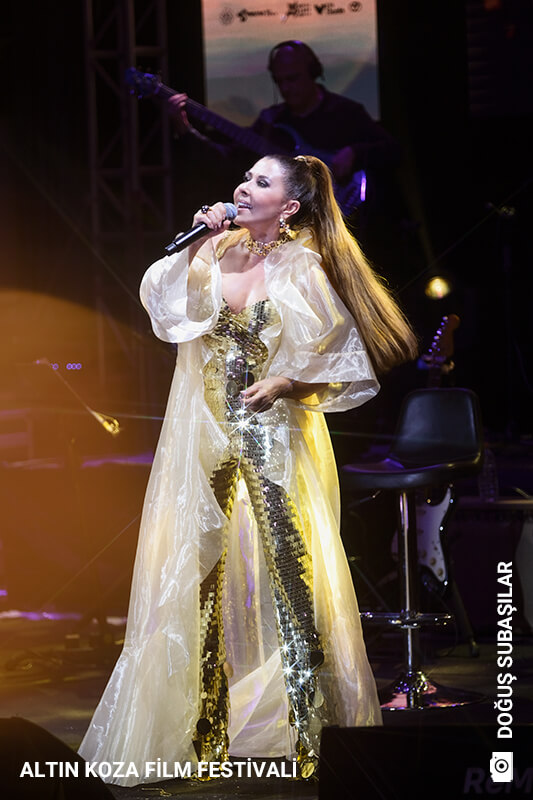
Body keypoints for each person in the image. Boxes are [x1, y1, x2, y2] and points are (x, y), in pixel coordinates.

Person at [78, 154, 417, 785]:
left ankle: (312, 734)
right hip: (205, 437)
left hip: (274, 438)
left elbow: (340, 362)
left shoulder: (302, 265)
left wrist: (286, 381)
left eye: (262, 182)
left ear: (289, 206)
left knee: (292, 573)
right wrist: (198, 242)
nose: (243, 186)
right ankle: (202, 736)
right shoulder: (216, 248)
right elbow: (166, 309)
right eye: (246, 177)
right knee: (197, 573)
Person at [169, 40, 400, 216]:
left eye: (293, 78)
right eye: (280, 81)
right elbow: (226, 158)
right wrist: (185, 130)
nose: (286, 88)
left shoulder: (345, 112)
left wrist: (355, 153)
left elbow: (393, 149)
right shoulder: (271, 121)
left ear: (313, 73)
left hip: (352, 218)